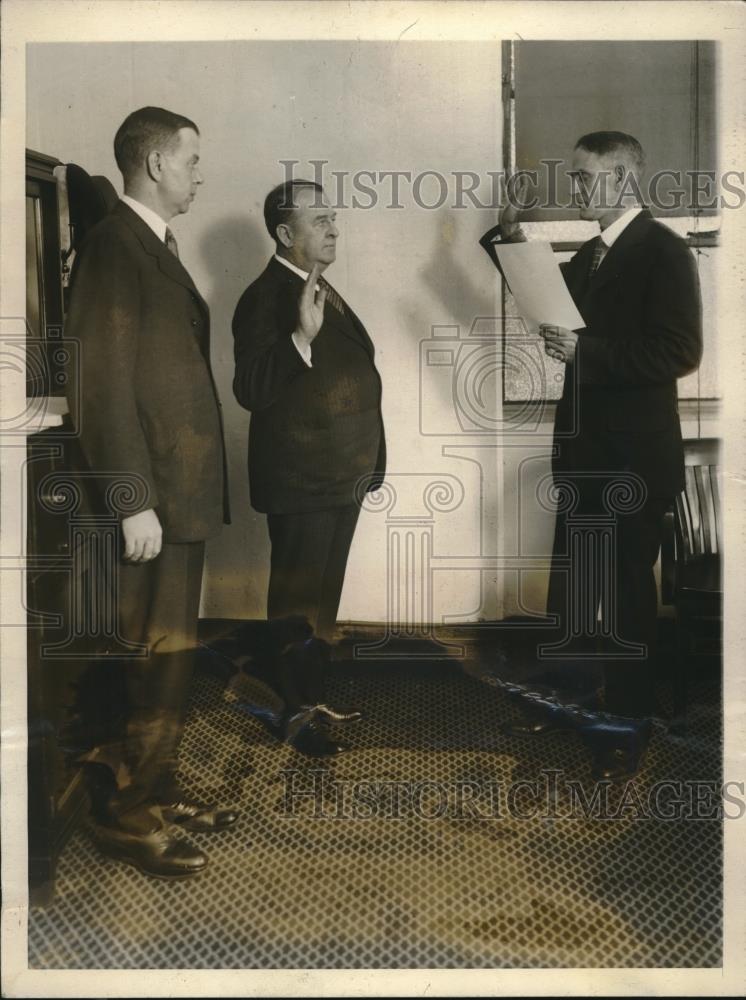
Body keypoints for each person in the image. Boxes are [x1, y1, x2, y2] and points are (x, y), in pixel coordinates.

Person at [480, 131, 702, 781]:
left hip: (634, 462)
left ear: (625, 178)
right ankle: (567, 700)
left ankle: (627, 726)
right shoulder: (596, 254)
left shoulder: (663, 251)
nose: (573, 189)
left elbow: (680, 351)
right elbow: (547, 295)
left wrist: (589, 354)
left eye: (583, 178)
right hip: (583, 453)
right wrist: (508, 238)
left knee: (629, 596)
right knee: (575, 587)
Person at [64, 106, 237, 879]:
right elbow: (100, 386)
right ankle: (130, 815)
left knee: (167, 656)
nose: (200, 175)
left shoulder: (147, 245)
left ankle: (154, 789)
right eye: (193, 160)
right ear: (158, 163)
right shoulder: (114, 247)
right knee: (150, 655)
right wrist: (132, 498)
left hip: (178, 492)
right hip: (152, 498)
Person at [232, 180, 386, 756]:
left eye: (334, 219)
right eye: (320, 220)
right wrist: (300, 337)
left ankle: (311, 698)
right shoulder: (263, 297)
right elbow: (249, 388)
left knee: (322, 600)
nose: (333, 229)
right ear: (284, 233)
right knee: (298, 602)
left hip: (341, 475)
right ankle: (296, 713)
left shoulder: (319, 285)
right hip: (302, 481)